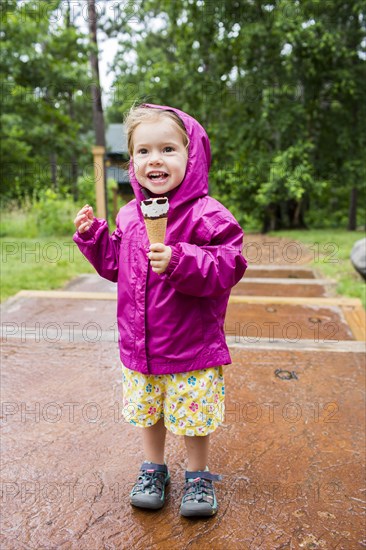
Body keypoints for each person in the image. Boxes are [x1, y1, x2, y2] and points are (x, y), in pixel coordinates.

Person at [73, 103, 247, 517]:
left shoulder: (208, 214)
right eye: (144, 151)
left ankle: (198, 476)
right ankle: (153, 468)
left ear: (193, 155)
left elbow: (229, 264)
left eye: (168, 149)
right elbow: (118, 264)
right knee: (148, 412)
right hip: (141, 345)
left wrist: (180, 260)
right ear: (131, 161)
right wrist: (95, 237)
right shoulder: (130, 215)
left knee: (193, 418)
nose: (155, 159)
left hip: (191, 345)